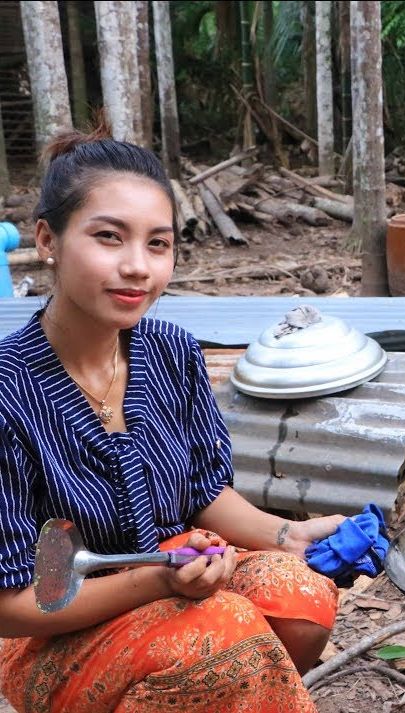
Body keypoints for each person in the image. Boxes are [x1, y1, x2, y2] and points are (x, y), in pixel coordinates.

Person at [0, 123, 345, 713]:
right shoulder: (8, 390)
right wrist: (159, 580)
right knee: (225, 634)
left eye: (158, 244)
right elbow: (10, 607)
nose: (138, 267)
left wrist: (288, 536)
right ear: (47, 239)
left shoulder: (170, 351)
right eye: (109, 238)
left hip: (168, 567)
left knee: (301, 594)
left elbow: (204, 492)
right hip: (48, 625)